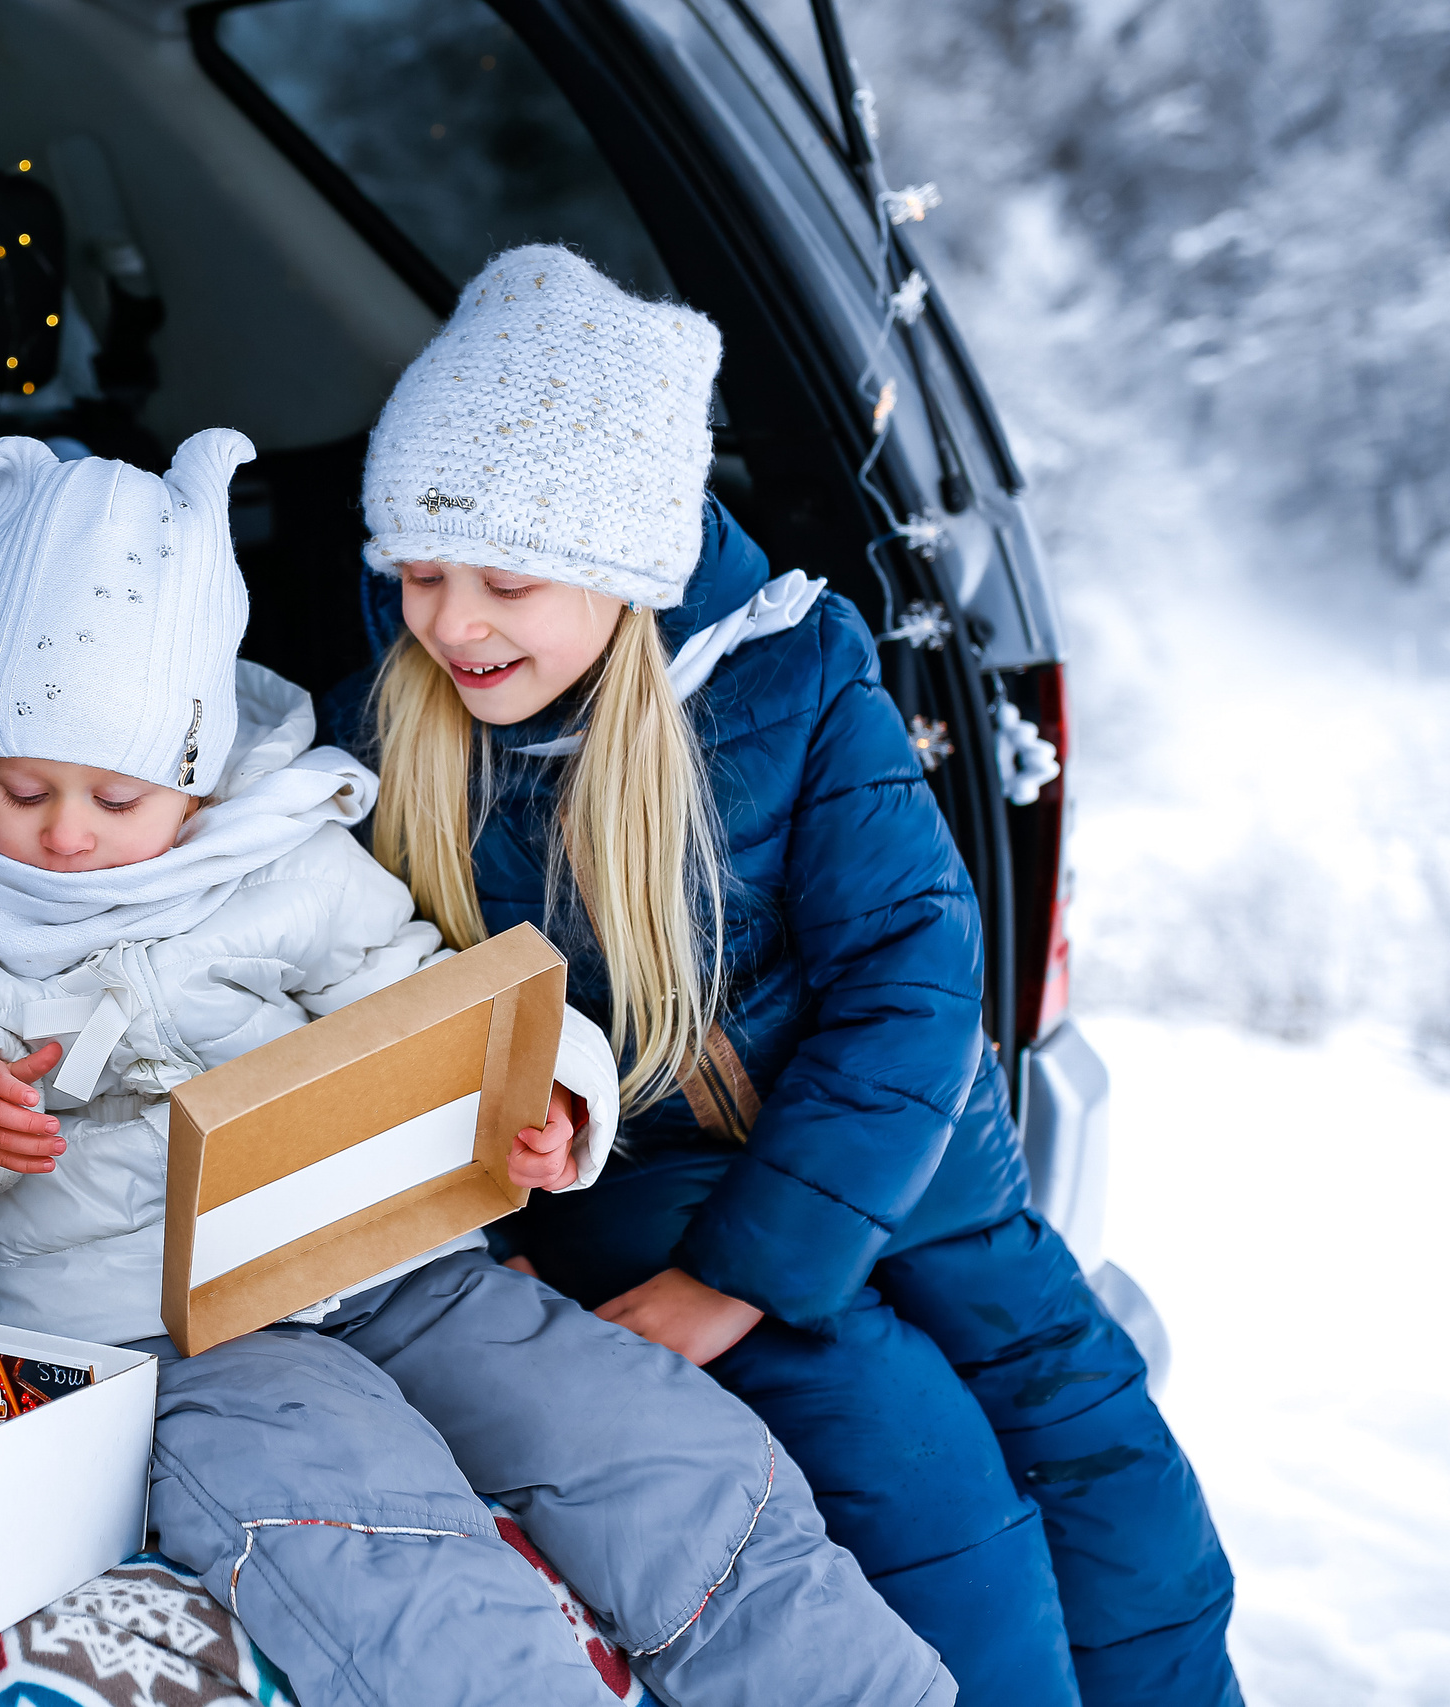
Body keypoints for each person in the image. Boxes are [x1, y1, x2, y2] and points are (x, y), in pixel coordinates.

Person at [0, 427, 950, 1707]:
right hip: (149, 1333)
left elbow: (420, 994)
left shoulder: (283, 860)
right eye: (21, 789)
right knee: (359, 1529)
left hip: (384, 1262)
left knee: (650, 1445)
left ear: (199, 769)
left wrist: (546, 1087)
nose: (64, 835)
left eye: (116, 802)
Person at [328, 244, 1238, 1707]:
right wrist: (672, 1250)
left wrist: (750, 1269)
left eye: (507, 577)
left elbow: (915, 979)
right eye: (420, 573)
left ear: (628, 567)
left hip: (917, 1159)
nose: (453, 621)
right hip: (650, 1184)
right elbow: (388, 985)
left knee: (1114, 1475)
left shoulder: (797, 675)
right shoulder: (405, 730)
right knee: (927, 1493)